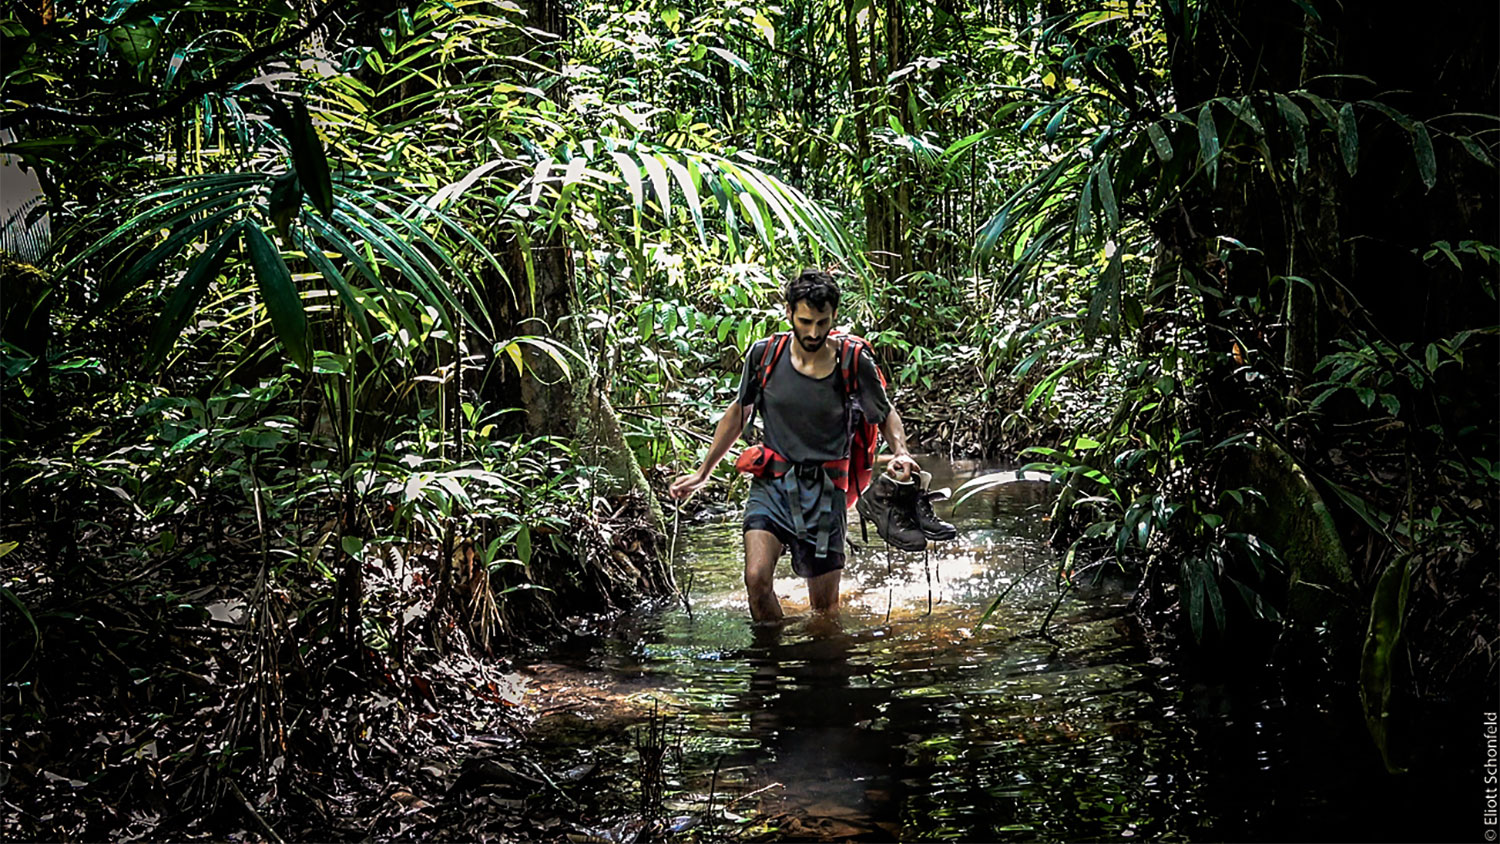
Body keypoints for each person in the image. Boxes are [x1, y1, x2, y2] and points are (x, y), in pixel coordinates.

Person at [668, 268, 921, 622]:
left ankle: (815, 668)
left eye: (823, 322)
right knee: (756, 580)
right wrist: (702, 473)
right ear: (788, 313)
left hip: (826, 492)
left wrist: (901, 451)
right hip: (771, 487)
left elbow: (885, 413)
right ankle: (769, 665)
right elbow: (739, 413)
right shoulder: (764, 356)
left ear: (834, 316)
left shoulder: (851, 361)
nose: (814, 332)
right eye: (805, 321)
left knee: (824, 613)